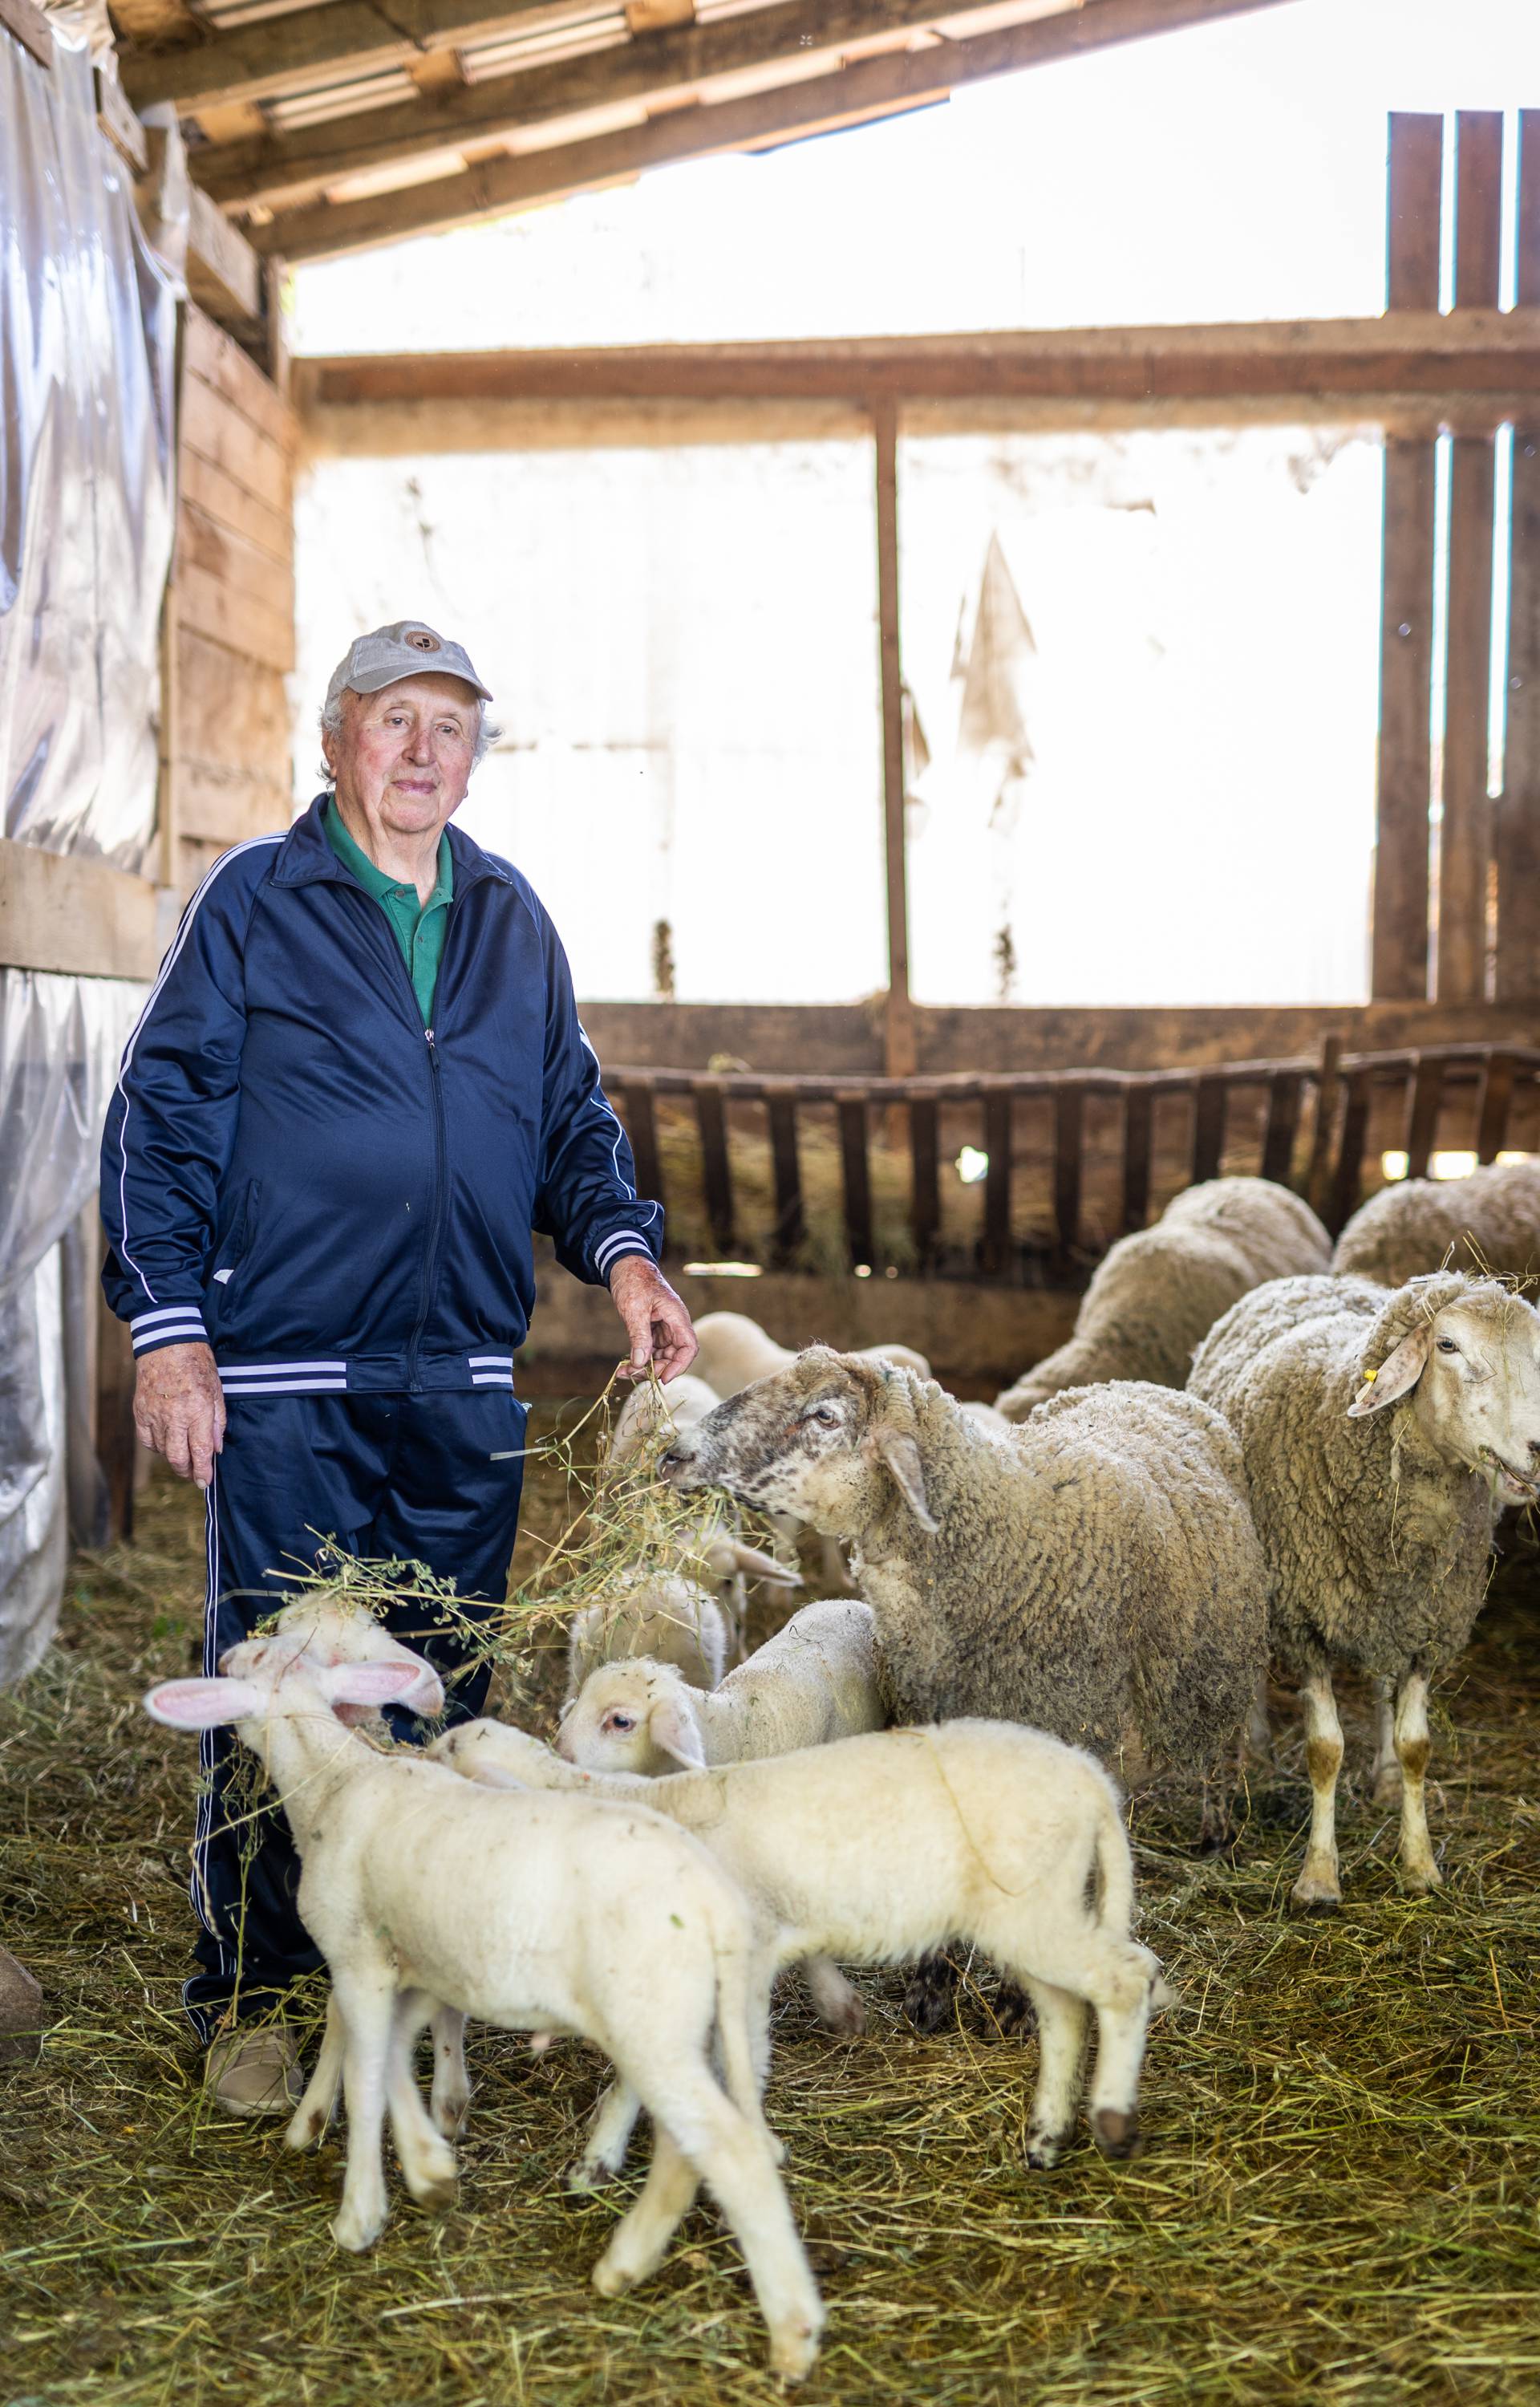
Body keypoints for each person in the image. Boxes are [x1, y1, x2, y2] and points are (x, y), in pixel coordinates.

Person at [99, 620, 695, 2113]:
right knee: (288, 1689)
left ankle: (422, 1991)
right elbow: (160, 1115)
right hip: (290, 1373)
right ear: (336, 739)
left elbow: (569, 1120)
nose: (424, 751)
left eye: (452, 725)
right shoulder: (257, 900)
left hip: (462, 1384)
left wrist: (622, 1251)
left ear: (477, 754)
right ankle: (255, 1997)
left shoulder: (511, 919)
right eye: (394, 720)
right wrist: (170, 1333)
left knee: (438, 1683)